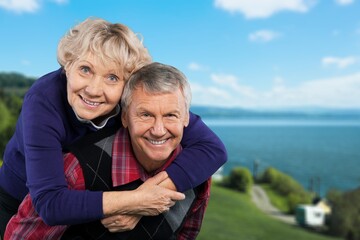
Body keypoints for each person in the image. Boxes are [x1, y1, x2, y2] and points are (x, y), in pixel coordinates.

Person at [0, 17, 227, 239]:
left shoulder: (131, 99)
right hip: (18, 199)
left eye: (112, 77)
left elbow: (212, 149)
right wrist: (136, 201)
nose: (94, 89)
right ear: (67, 65)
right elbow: (50, 204)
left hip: (88, 200)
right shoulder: (43, 101)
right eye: (86, 69)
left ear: (127, 83)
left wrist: (147, 195)